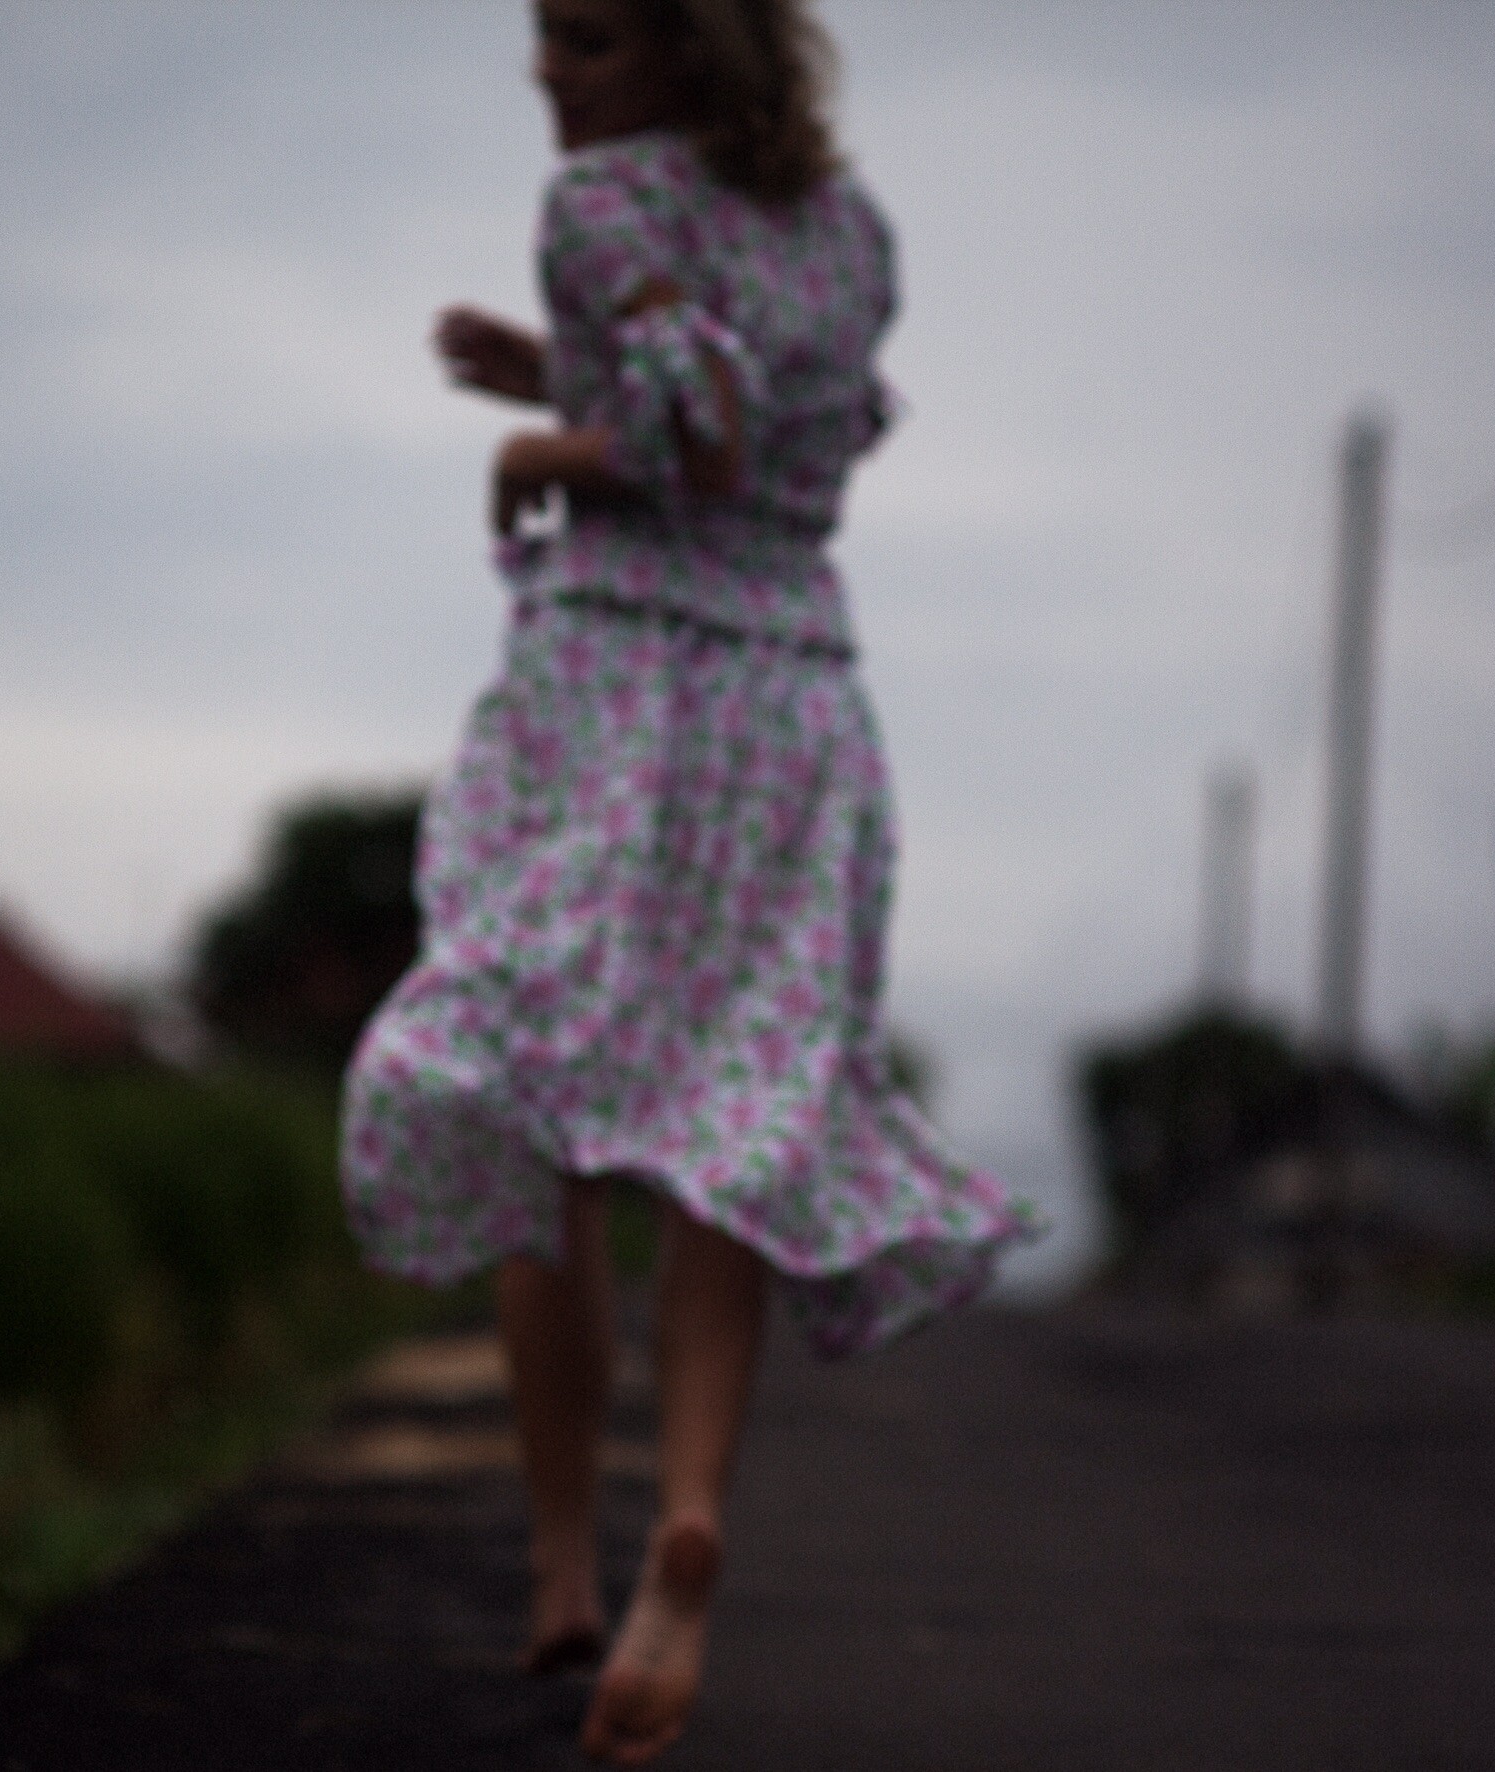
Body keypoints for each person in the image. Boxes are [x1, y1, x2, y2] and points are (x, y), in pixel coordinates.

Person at [341, 0, 1042, 1760]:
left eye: (585, 39)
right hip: (794, 701)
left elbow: (700, 435)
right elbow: (805, 434)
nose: (547, 72)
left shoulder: (604, 204)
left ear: (687, 47)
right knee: (734, 1117)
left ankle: (559, 1551)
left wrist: (533, 453)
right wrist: (559, 371)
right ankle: (689, 1523)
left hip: (621, 688)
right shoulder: (848, 226)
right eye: (544, 34)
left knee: (524, 1098)